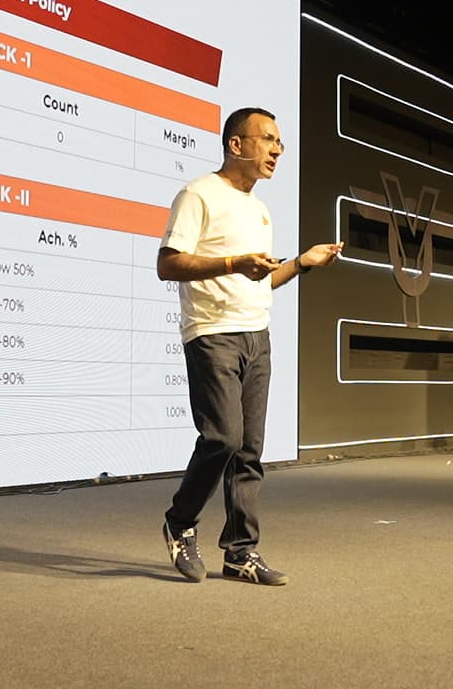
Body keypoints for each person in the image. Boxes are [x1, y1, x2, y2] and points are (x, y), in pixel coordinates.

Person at [157, 107, 343, 585]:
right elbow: (168, 264)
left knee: (249, 451)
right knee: (222, 438)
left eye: (279, 142)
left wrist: (301, 262)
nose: (278, 149)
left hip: (256, 335)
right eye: (268, 139)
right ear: (236, 144)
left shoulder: (259, 209)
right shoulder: (199, 194)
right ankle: (180, 521)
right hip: (211, 332)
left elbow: (260, 280)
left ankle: (241, 552)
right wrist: (232, 263)